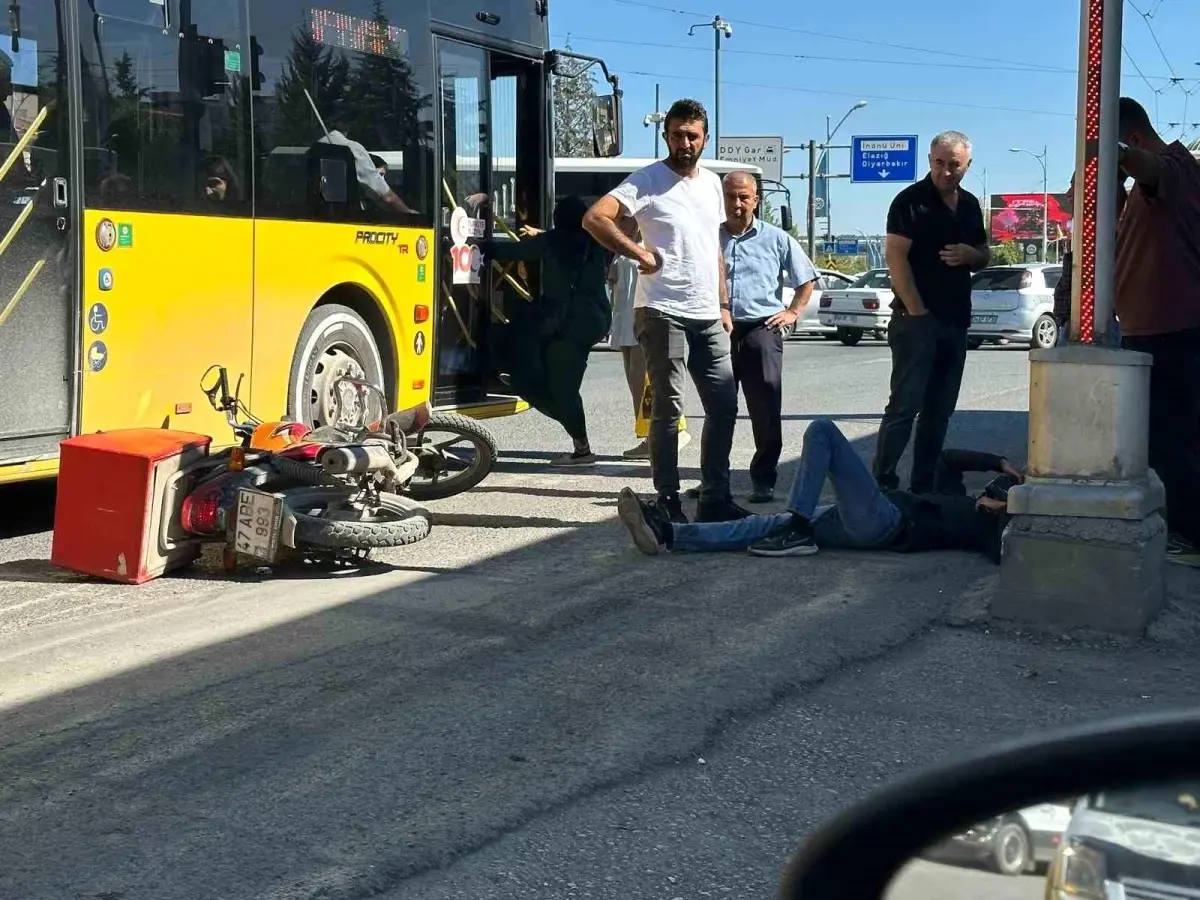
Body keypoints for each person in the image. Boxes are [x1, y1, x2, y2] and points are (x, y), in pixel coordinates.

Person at [583, 98, 744, 525]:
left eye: (692, 135)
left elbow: (714, 251)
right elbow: (595, 218)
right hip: (661, 310)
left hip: (707, 313)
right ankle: (668, 499)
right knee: (670, 409)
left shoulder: (712, 184)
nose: (685, 142)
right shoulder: (647, 180)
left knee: (724, 405)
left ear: (705, 137)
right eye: (677, 135)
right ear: (665, 136)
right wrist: (639, 252)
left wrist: (724, 303)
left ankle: (715, 496)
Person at [617, 418, 1023, 563]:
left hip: (889, 525)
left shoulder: (986, 528)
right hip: (846, 521)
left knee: (823, 430)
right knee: (761, 526)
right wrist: (998, 463)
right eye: (993, 489)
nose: (990, 493)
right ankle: (669, 535)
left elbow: (1007, 555)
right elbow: (948, 458)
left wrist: (1004, 511)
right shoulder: (962, 496)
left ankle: (796, 525)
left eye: (998, 492)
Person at [872, 131, 989, 494]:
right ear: (929, 161)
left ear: (967, 165)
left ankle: (924, 488)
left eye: (954, 165)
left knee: (939, 412)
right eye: (939, 163)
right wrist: (917, 311)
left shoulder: (969, 205)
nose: (946, 171)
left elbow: (985, 255)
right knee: (905, 407)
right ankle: (883, 486)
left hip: (956, 321)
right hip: (916, 321)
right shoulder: (910, 201)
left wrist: (972, 256)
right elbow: (896, 258)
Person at [1112, 97, 1200, 554]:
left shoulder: (1174, 167)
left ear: (1136, 137)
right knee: (1176, 438)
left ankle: (1190, 535)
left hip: (1167, 330)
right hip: (1161, 327)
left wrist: (1115, 151)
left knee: (1169, 442)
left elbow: (1147, 167)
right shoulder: (1167, 183)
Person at [485, 195, 611, 465]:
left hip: (568, 323)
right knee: (563, 379)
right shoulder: (596, 240)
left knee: (561, 387)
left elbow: (511, 252)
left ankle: (582, 448)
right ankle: (576, 436)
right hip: (596, 319)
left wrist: (474, 244)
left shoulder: (554, 241)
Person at [720, 170, 818, 503]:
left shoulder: (776, 238)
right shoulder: (709, 237)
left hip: (761, 329)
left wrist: (792, 312)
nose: (737, 204)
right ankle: (714, 481)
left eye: (744, 197)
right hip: (718, 329)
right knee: (719, 408)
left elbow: (806, 279)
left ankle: (763, 479)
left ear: (756, 200)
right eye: (731, 196)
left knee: (764, 406)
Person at [608, 214, 690, 459]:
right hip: (624, 322)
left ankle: (673, 432)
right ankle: (649, 437)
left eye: (624, 219)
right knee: (637, 387)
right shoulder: (623, 248)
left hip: (643, 321)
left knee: (650, 384)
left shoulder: (652, 245)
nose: (620, 225)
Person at [1054, 172, 1126, 346]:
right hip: (1076, 326)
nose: (1068, 194)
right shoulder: (1085, 232)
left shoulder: (1102, 236)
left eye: (1075, 186)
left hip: (1089, 330)